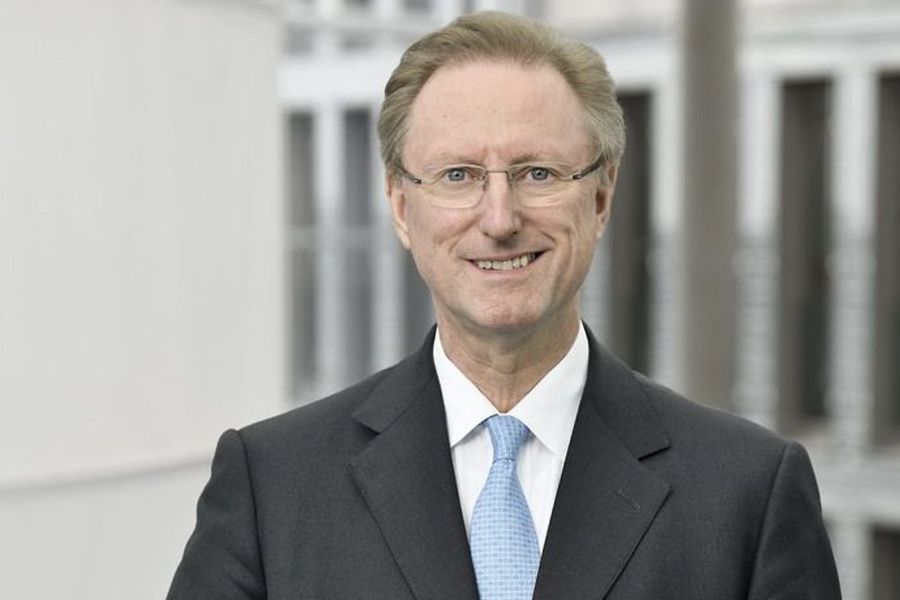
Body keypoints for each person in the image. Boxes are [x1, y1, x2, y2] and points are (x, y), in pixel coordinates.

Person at [167, 11, 841, 600]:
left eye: (538, 173)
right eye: (457, 175)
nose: (499, 219)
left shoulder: (747, 493)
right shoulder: (272, 484)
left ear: (600, 197)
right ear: (401, 207)